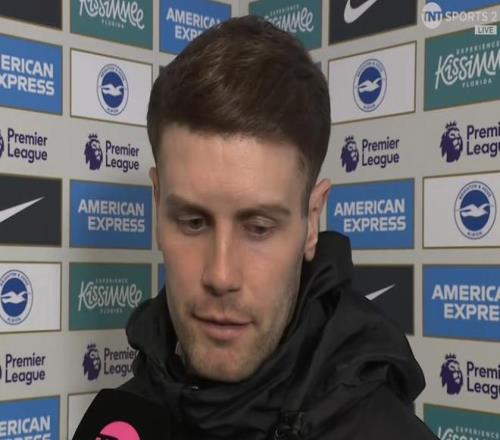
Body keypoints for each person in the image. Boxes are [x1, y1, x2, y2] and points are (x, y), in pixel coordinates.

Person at [120, 15, 437, 440]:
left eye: (258, 228)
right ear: (157, 205)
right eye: (193, 223)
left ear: (311, 222)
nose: (221, 276)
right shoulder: (121, 422)